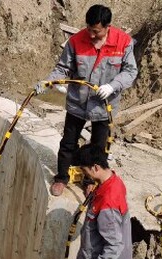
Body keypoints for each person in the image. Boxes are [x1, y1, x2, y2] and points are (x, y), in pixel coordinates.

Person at [35, 4, 138, 196]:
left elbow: (131, 71)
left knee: (99, 147)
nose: (90, 34)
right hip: (78, 102)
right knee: (68, 143)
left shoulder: (123, 42)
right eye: (89, 29)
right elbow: (63, 68)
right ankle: (62, 178)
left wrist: (112, 86)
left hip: (104, 106)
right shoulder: (76, 41)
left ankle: (91, 180)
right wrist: (49, 81)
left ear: (108, 26)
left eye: (96, 31)